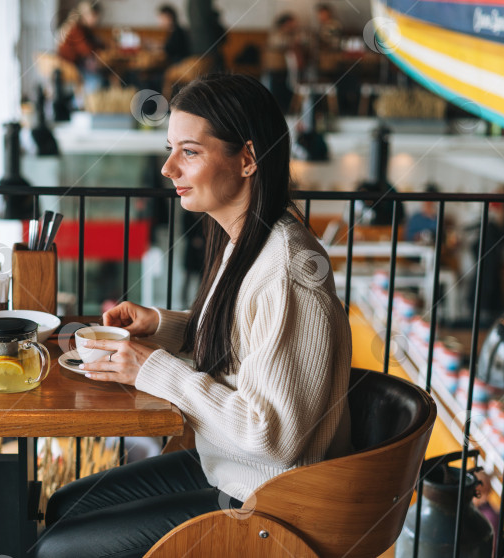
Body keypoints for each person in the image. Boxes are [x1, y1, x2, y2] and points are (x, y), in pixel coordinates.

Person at [32, 74, 353, 558]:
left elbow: (274, 436)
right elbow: (251, 342)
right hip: (225, 466)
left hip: (268, 501)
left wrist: (152, 369)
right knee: (63, 507)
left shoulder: (287, 269)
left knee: (58, 549)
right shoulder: (247, 239)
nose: (167, 168)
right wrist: (163, 328)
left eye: (189, 152)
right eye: (170, 149)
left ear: (247, 159)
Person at [57, 1, 105, 93]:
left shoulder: (82, 28)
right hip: (69, 66)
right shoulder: (75, 28)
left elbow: (93, 45)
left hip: (76, 63)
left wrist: (100, 46)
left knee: (101, 73)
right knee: (97, 79)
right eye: (94, 16)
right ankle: (84, 103)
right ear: (86, 15)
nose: (96, 20)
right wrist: (98, 48)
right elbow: (85, 50)